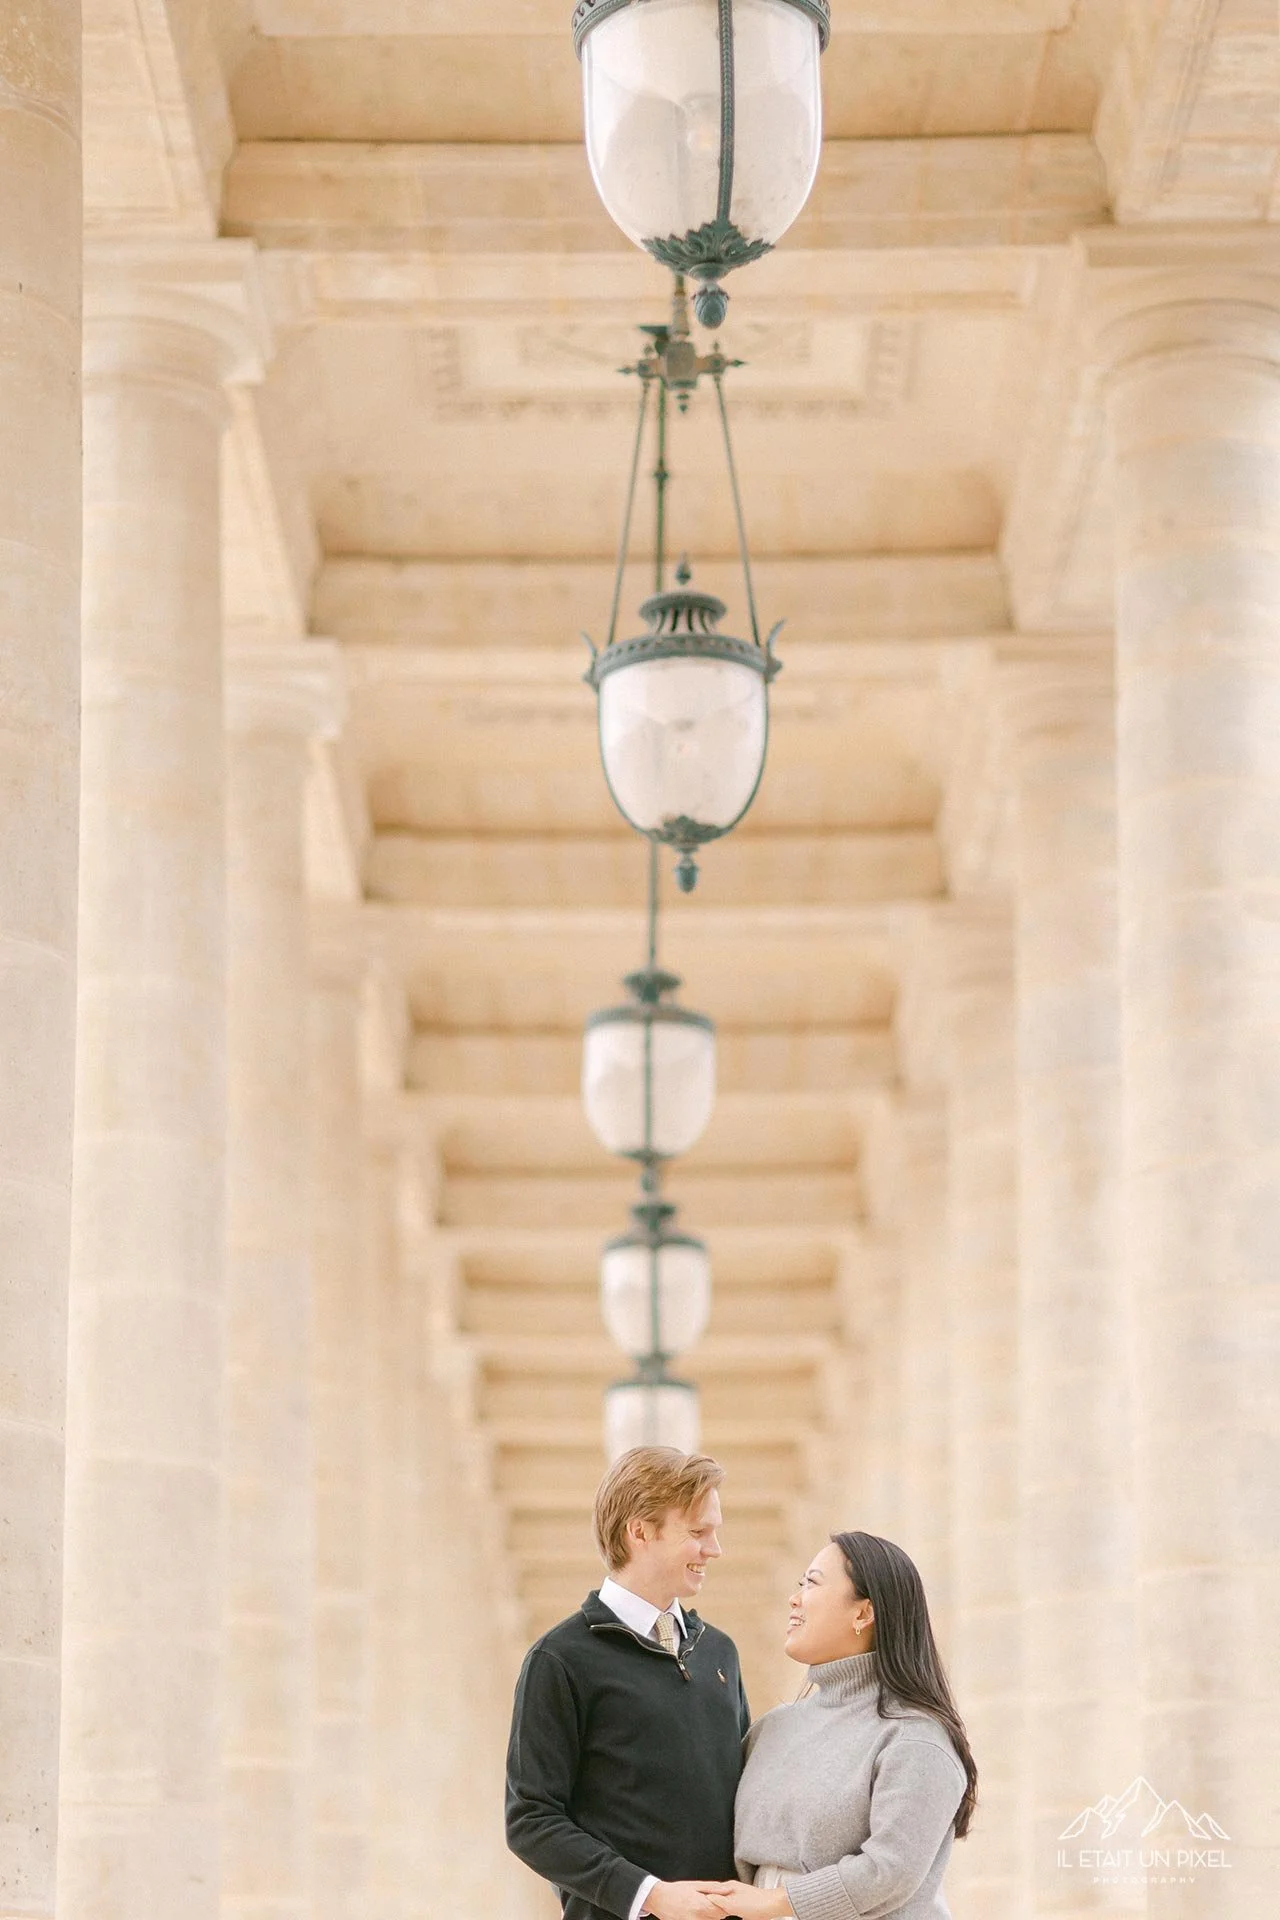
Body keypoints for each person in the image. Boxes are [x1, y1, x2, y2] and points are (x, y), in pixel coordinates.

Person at [506, 1446, 751, 1920]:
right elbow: (530, 1819)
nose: (714, 1549)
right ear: (639, 1531)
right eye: (698, 1532)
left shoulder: (720, 1652)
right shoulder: (559, 1659)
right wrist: (651, 1895)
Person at [708, 1531, 978, 1920]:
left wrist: (778, 1902)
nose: (795, 1598)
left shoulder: (916, 1737)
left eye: (812, 1583)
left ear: (863, 1613)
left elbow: (891, 1869)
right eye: (799, 1584)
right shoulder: (773, 1729)